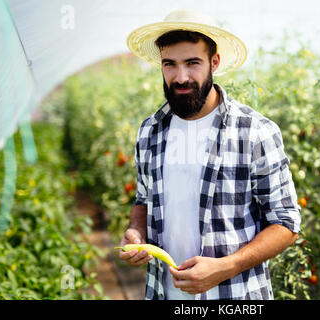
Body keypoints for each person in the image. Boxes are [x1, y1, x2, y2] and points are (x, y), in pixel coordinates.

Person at [117, 10, 302, 300]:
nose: (180, 77)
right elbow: (143, 200)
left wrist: (227, 267)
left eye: (192, 63)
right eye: (170, 64)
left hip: (235, 296)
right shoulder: (149, 131)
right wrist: (136, 232)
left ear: (214, 62)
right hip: (163, 293)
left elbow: (286, 222)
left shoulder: (254, 132)